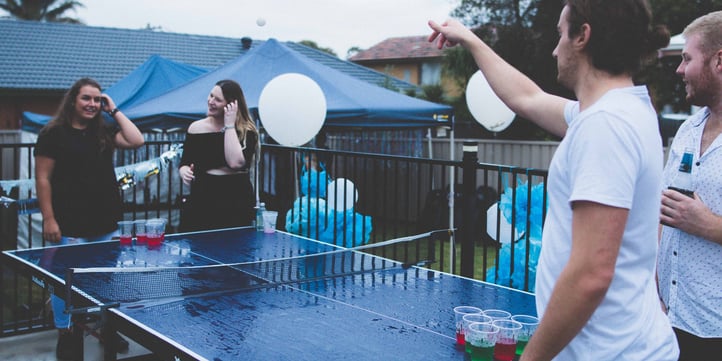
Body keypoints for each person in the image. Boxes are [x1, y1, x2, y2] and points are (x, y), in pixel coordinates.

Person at [429, 1, 678, 360]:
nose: (554, 48)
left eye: (561, 34)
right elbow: (526, 98)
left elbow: (591, 273)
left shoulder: (606, 125)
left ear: (583, 36)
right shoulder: (621, 111)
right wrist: (471, 40)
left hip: (610, 353)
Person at [34, 77, 144, 360]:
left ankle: (108, 328)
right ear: (73, 100)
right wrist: (49, 219)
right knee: (64, 284)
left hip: (104, 220)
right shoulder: (53, 133)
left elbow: (136, 139)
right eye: (86, 98)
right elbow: (43, 178)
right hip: (69, 221)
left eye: (97, 99)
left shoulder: (104, 131)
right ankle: (66, 332)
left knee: (103, 280)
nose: (92, 104)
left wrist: (114, 109)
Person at [658, 11, 722, 360]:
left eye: (687, 58)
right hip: (670, 318)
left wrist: (710, 226)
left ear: (718, 61)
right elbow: (664, 209)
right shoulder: (687, 130)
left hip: (715, 332)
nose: (679, 69)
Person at [178, 79, 258, 232]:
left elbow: (236, 163)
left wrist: (229, 126)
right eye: (211, 96)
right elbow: (185, 162)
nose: (211, 101)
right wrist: (184, 172)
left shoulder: (246, 131)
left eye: (218, 99)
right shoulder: (196, 128)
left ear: (231, 105)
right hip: (204, 195)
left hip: (235, 197)